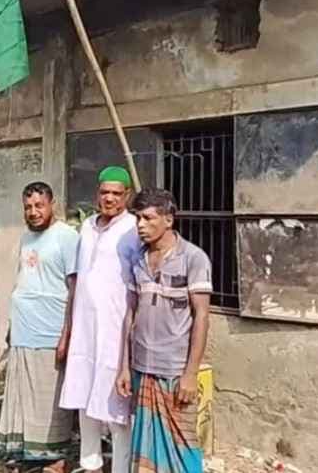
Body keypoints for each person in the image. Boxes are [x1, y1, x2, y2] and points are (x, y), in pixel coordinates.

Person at [116, 188, 211, 473]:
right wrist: (124, 367)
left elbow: (202, 316)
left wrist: (190, 374)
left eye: (147, 218)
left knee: (182, 447)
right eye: (137, 219)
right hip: (143, 369)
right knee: (145, 445)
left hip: (175, 371)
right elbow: (130, 314)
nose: (140, 226)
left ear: (168, 220)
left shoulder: (193, 259)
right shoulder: (138, 261)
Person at [59, 166, 140, 473]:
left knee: (116, 408)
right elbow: (77, 280)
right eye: (104, 192)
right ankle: (89, 464)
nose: (109, 198)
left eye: (116, 193)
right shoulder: (87, 226)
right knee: (84, 398)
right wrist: (67, 330)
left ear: (127, 196)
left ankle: (120, 468)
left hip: (115, 330)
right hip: (84, 329)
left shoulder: (134, 228)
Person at [0, 182, 79, 472]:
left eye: (39, 205)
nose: (33, 212)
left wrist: (66, 336)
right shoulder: (27, 238)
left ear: (51, 204)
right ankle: (29, 459)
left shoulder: (66, 237)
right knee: (24, 400)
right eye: (28, 207)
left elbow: (75, 289)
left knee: (49, 403)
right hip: (23, 332)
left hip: (50, 333)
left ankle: (55, 460)